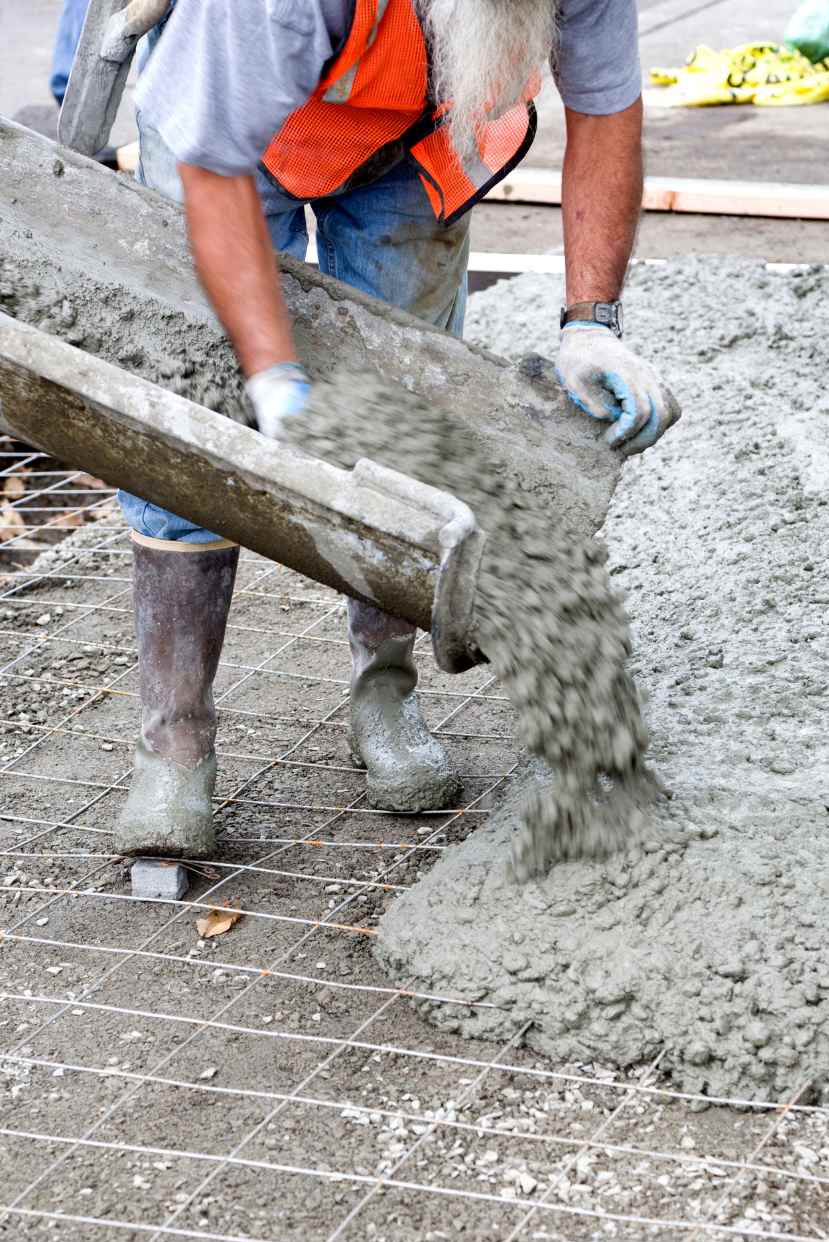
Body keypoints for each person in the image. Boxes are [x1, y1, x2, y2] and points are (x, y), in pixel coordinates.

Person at [114, 0, 681, 859]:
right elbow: (210, 165)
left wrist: (591, 321)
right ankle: (175, 744)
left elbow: (606, 107)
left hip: (415, 131)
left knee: (409, 409)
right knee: (195, 404)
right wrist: (272, 377)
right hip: (228, 121)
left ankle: (384, 692)